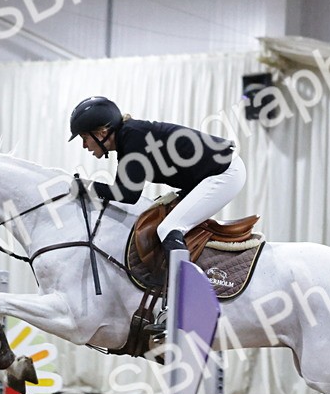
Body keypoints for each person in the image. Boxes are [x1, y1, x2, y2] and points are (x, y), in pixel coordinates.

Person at [69, 96, 246, 334]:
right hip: (209, 175)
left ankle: (179, 309)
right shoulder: (129, 138)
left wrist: (85, 188)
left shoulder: (132, 138)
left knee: (168, 229)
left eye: (84, 138)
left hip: (224, 174)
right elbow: (129, 195)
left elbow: (127, 193)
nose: (84, 146)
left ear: (101, 132)